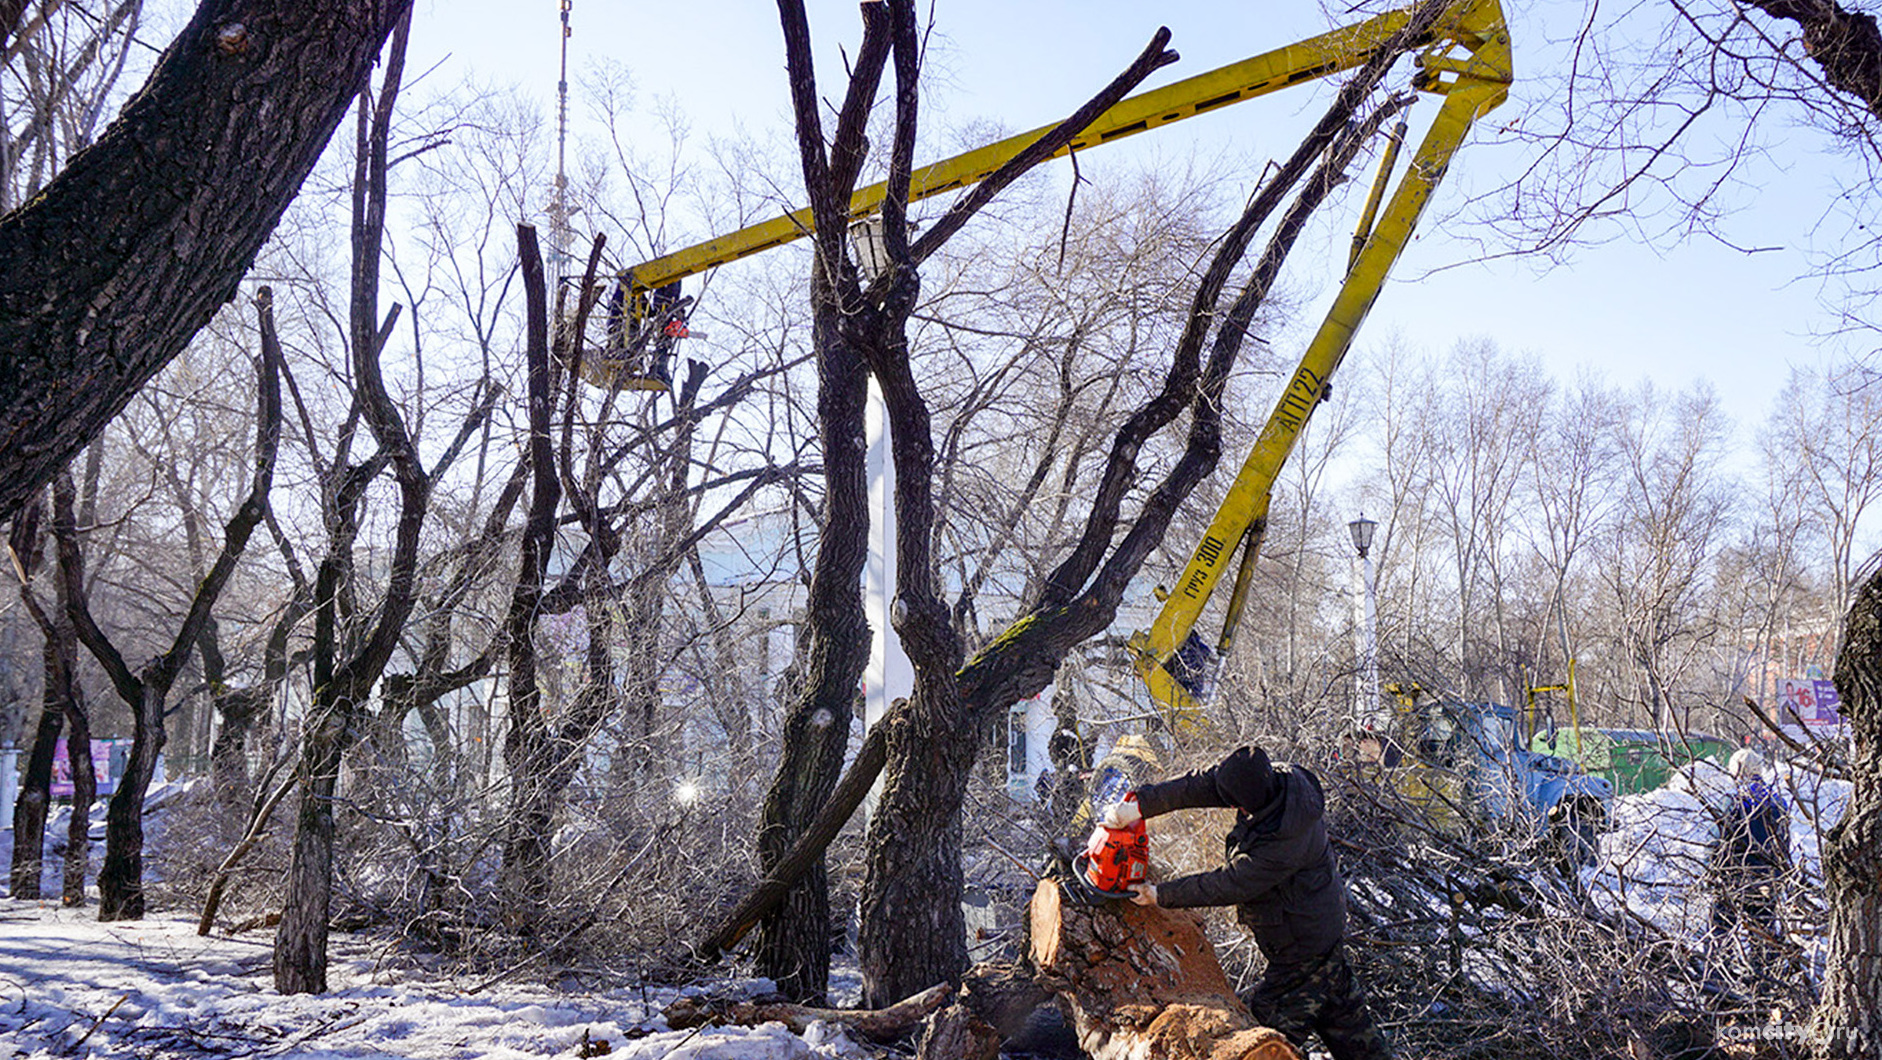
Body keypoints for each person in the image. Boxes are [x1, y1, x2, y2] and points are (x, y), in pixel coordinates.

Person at [1102, 744, 1392, 1060]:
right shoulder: (1264, 778)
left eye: (1238, 805)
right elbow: (1200, 785)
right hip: (1319, 936)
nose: (1235, 809)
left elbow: (1231, 883)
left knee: (1263, 1041)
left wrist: (1159, 894)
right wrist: (1140, 805)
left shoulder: (1286, 838)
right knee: (1355, 1036)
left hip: (1303, 949)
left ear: (1252, 802)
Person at [1709, 747, 1789, 946]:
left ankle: (1717, 974)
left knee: (1721, 933)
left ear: (1736, 771)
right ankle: (1763, 975)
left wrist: (1710, 870)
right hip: (1766, 880)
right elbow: (1784, 842)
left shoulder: (1732, 800)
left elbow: (1714, 840)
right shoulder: (1778, 801)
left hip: (1733, 878)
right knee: (1763, 935)